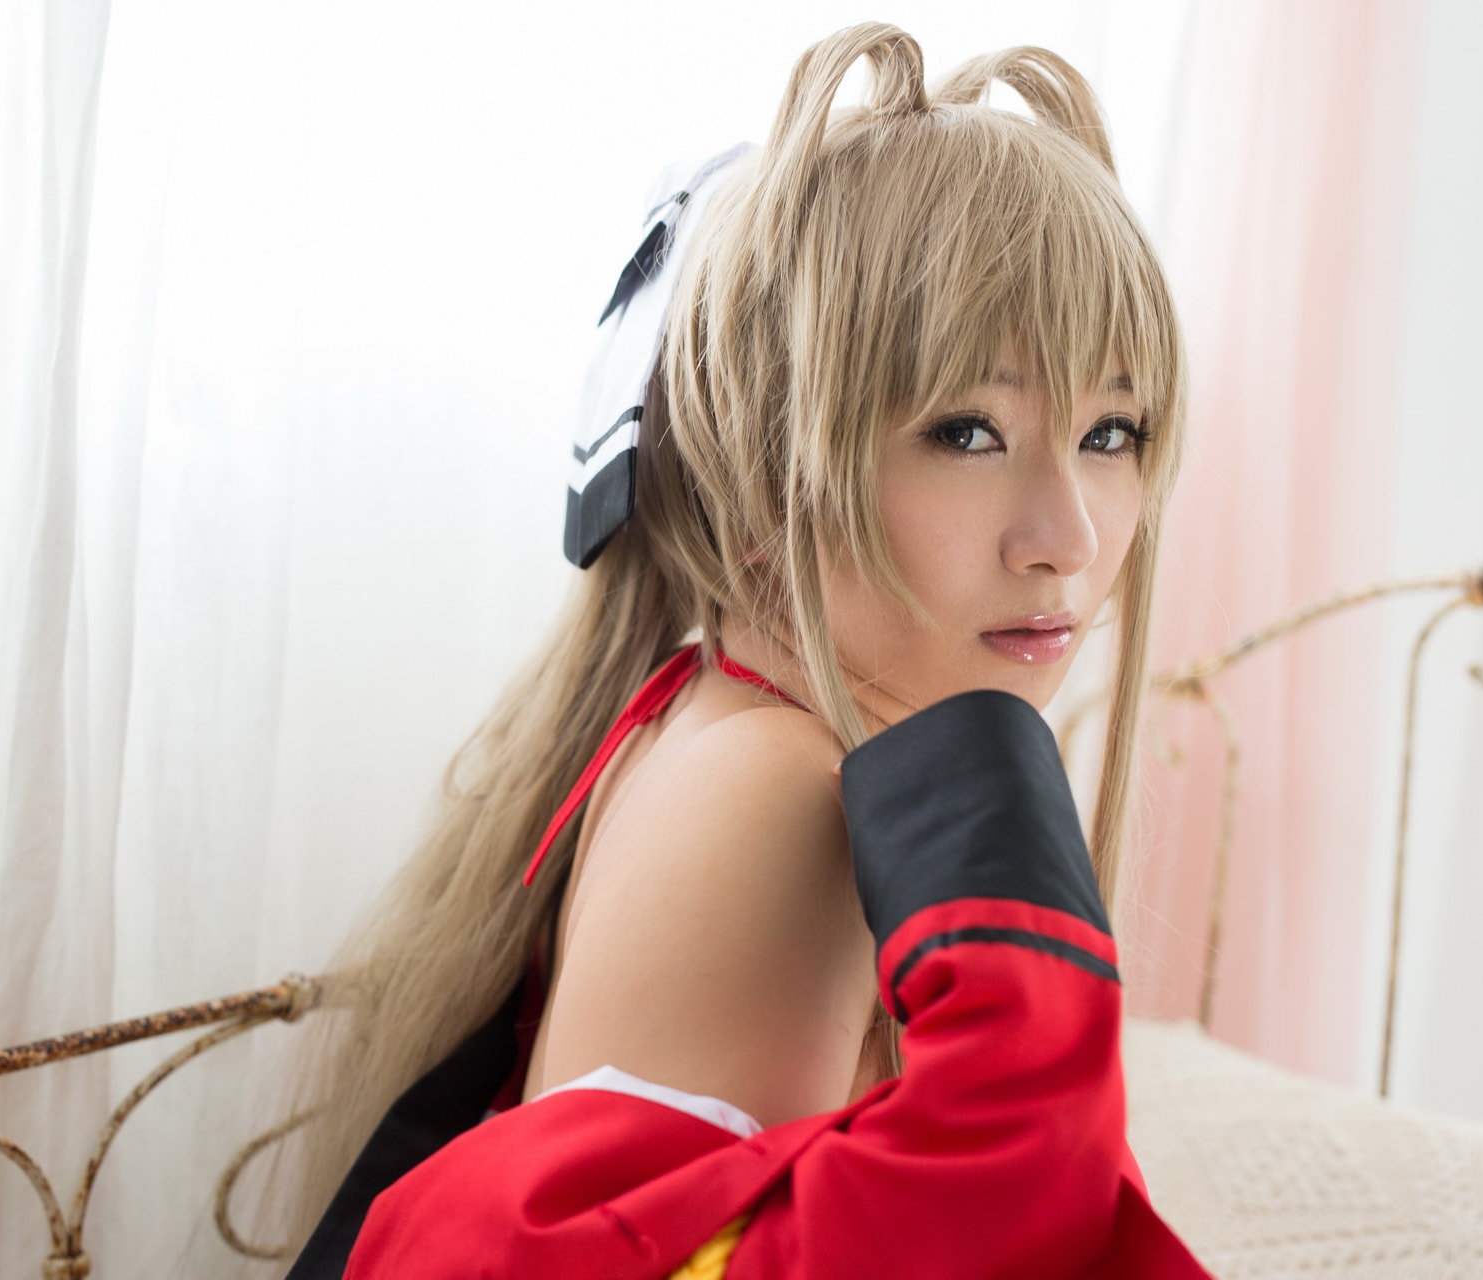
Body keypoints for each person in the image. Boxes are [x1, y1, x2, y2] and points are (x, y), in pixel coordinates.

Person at [271, 20, 1209, 1279]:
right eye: (968, 432)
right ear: (764, 471)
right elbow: (985, 1210)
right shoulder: (785, 785)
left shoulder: (712, 708)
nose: (1070, 539)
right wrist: (999, 823)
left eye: (1112, 432)